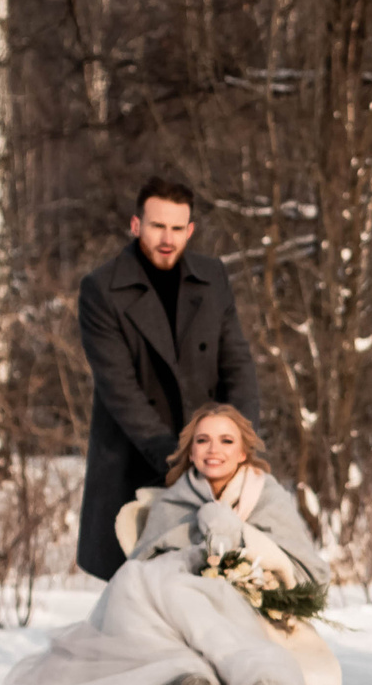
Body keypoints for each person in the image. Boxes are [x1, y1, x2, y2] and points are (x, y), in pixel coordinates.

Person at [0, 405, 334, 685]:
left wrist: (241, 540)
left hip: (248, 601)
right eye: (203, 440)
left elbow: (308, 571)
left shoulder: (268, 497)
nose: (213, 449)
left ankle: (262, 682)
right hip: (173, 599)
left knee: (175, 589)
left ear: (243, 451)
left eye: (226, 440)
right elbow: (148, 557)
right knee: (137, 578)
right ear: (191, 450)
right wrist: (199, 550)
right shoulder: (176, 500)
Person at [76, 176, 262, 580]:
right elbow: (119, 389)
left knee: (217, 593)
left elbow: (237, 366)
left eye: (178, 228)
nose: (168, 238)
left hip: (213, 467)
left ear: (190, 230)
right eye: (158, 226)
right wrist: (182, 460)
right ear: (136, 225)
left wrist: (237, 447)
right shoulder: (101, 290)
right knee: (136, 607)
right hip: (136, 465)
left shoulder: (212, 278)